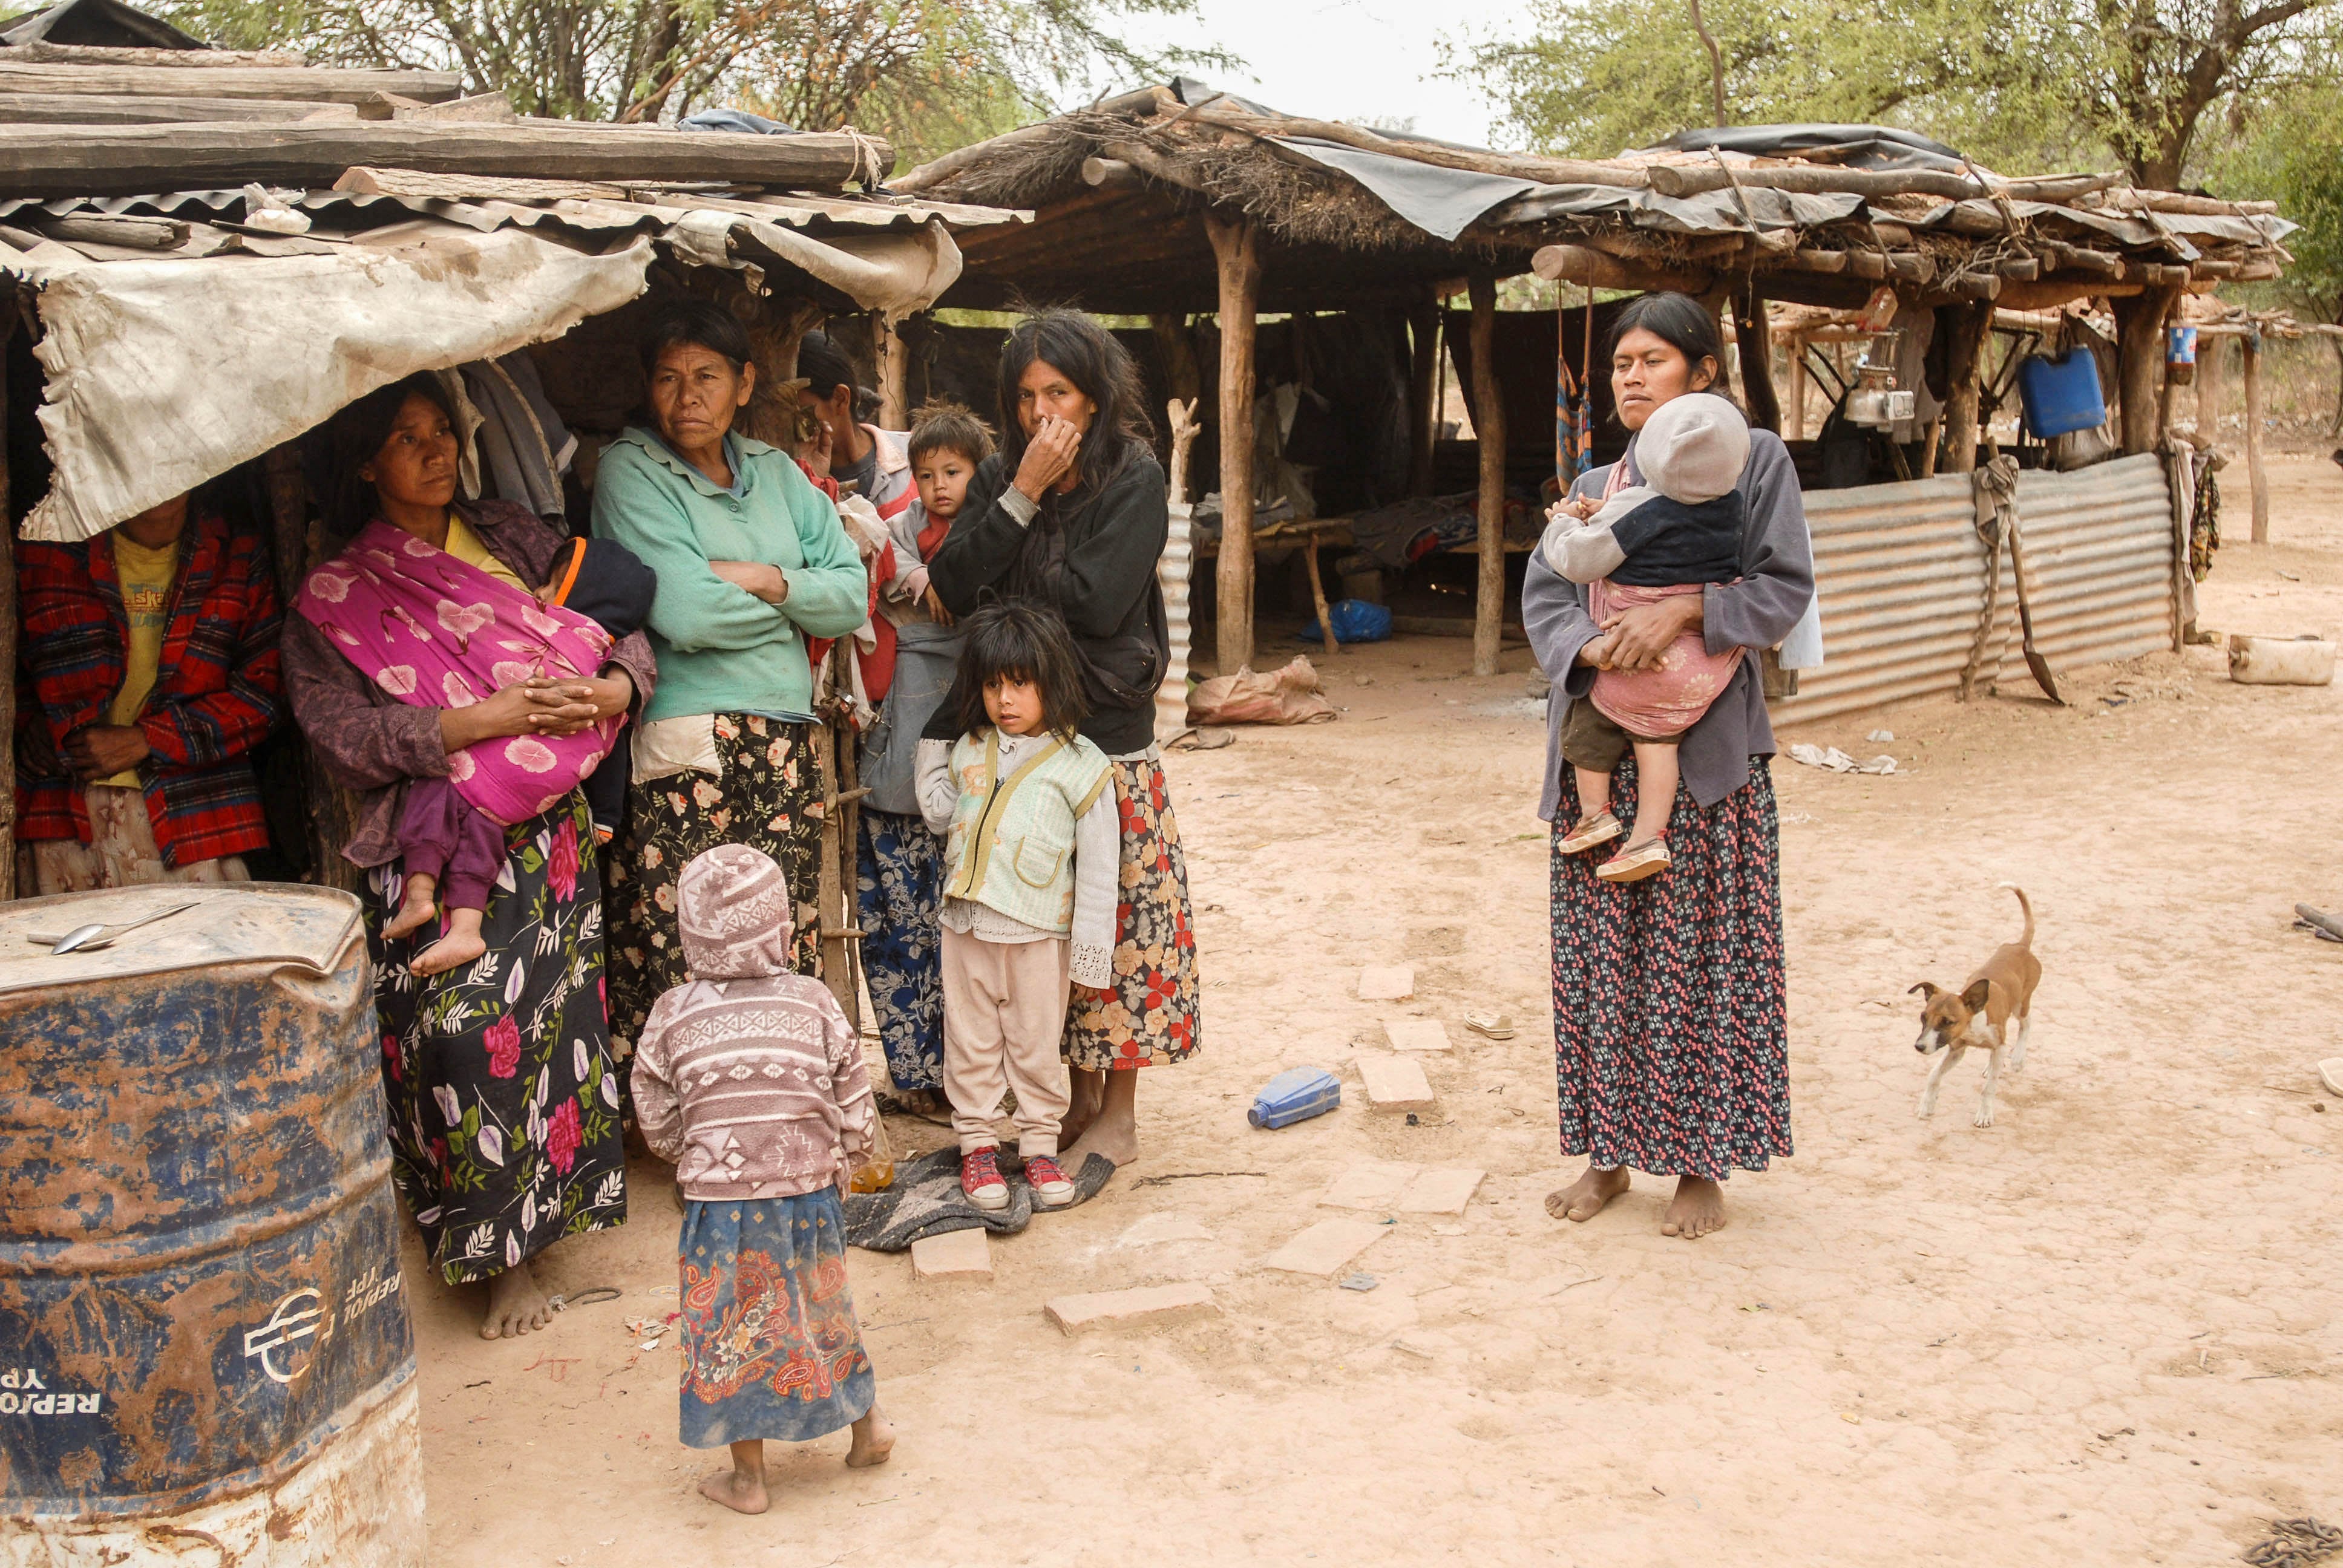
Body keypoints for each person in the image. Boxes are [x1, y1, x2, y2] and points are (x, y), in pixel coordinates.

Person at [284, 373, 650, 1339]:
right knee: (457, 1036)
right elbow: (339, 737)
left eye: (443, 431)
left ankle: (546, 1244)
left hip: (549, 835)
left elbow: (620, 630)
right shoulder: (336, 593)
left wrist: (613, 692)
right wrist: (472, 722)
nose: (437, 450)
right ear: (366, 464)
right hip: (434, 843)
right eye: (408, 439)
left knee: (556, 1035)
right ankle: (489, 1260)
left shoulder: (512, 535)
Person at [1521, 292, 1815, 1241]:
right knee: (1602, 956)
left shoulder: (1754, 461)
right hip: (1598, 752)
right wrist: (1588, 645)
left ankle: (1698, 1164)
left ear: (1704, 374)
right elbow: (1547, 587)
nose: (1631, 377)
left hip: (1709, 763)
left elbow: (1781, 587)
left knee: (1700, 960)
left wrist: (1686, 614)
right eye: (1622, 364)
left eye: (1652, 361)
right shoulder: (1597, 478)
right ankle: (1607, 1154)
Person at [923, 309, 1201, 1169]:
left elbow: (1098, 603)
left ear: (1095, 396)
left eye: (1062, 395)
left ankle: (1118, 1110)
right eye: (1028, 397)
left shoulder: (1135, 474)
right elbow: (954, 579)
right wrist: (1021, 495)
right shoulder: (1009, 473)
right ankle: (1073, 1100)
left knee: (1119, 922)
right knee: (1040, 923)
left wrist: (1012, 576)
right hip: (1016, 741)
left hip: (1104, 733)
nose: (1045, 415)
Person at [593, 300, 868, 1062]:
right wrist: (794, 604)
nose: (688, 397)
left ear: (745, 384)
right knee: (691, 936)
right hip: (687, 734)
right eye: (669, 378)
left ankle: (783, 1098)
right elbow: (684, 614)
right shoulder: (631, 468)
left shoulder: (778, 474)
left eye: (707, 376)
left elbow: (851, 594)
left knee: (781, 931)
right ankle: (697, 1115)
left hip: (784, 733)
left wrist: (758, 580)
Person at [630, 844, 894, 1515]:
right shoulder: (814, 1001)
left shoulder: (671, 1014)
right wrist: (854, 1150)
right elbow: (854, 1097)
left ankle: (749, 1480)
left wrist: (685, 1155)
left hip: (719, 1208)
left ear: (689, 936)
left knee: (729, 1330)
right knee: (823, 1308)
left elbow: (655, 1113)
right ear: (781, 930)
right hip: (810, 1194)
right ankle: (869, 1430)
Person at [376, 534, 656, 976]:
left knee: (437, 789)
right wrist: (606, 817)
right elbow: (612, 744)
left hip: (518, 757)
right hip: (542, 781)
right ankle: (466, 928)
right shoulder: (604, 662)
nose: (537, 594)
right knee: (482, 825)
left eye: (551, 587)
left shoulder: (559, 642)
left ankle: (421, 891)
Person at [914, 602, 1115, 1210]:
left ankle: (1038, 1148)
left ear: (1052, 682)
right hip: (966, 926)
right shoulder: (968, 747)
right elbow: (940, 812)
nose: (1005, 699)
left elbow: (1101, 868)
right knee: (971, 1041)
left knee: (1033, 1044)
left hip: (1037, 933)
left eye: (1020, 684)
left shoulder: (1084, 767)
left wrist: (1089, 953)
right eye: (994, 684)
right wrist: (932, 744)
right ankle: (977, 1147)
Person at [15, 488, 283, 892]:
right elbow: (12, 664)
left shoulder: (236, 552)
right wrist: (27, 724)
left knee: (199, 953)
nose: (162, 479)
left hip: (195, 813)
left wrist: (148, 740)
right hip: (60, 810)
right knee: (63, 952)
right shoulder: (45, 546)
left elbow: (264, 692)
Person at [1542, 391, 1752, 883]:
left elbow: (1581, 560)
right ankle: (1647, 838)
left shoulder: (1644, 509)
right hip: (1703, 664)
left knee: (1587, 718)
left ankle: (1596, 814)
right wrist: (1609, 509)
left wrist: (1563, 525)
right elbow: (1670, 522)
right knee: (1659, 742)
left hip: (1635, 655)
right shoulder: (1732, 505)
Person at [855, 402, 991, 1113]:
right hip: (893, 764)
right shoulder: (897, 533)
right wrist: (919, 588)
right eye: (927, 473)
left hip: (967, 772)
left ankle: (973, 1074)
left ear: (981, 472)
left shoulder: (995, 535)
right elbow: (885, 567)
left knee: (969, 937)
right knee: (896, 930)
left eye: (955, 471)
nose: (940, 486)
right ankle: (913, 1075)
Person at [795, 330, 912, 515]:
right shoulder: (795, 483)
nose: (791, 426)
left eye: (801, 414)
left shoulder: (918, 456)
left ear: (841, 399)